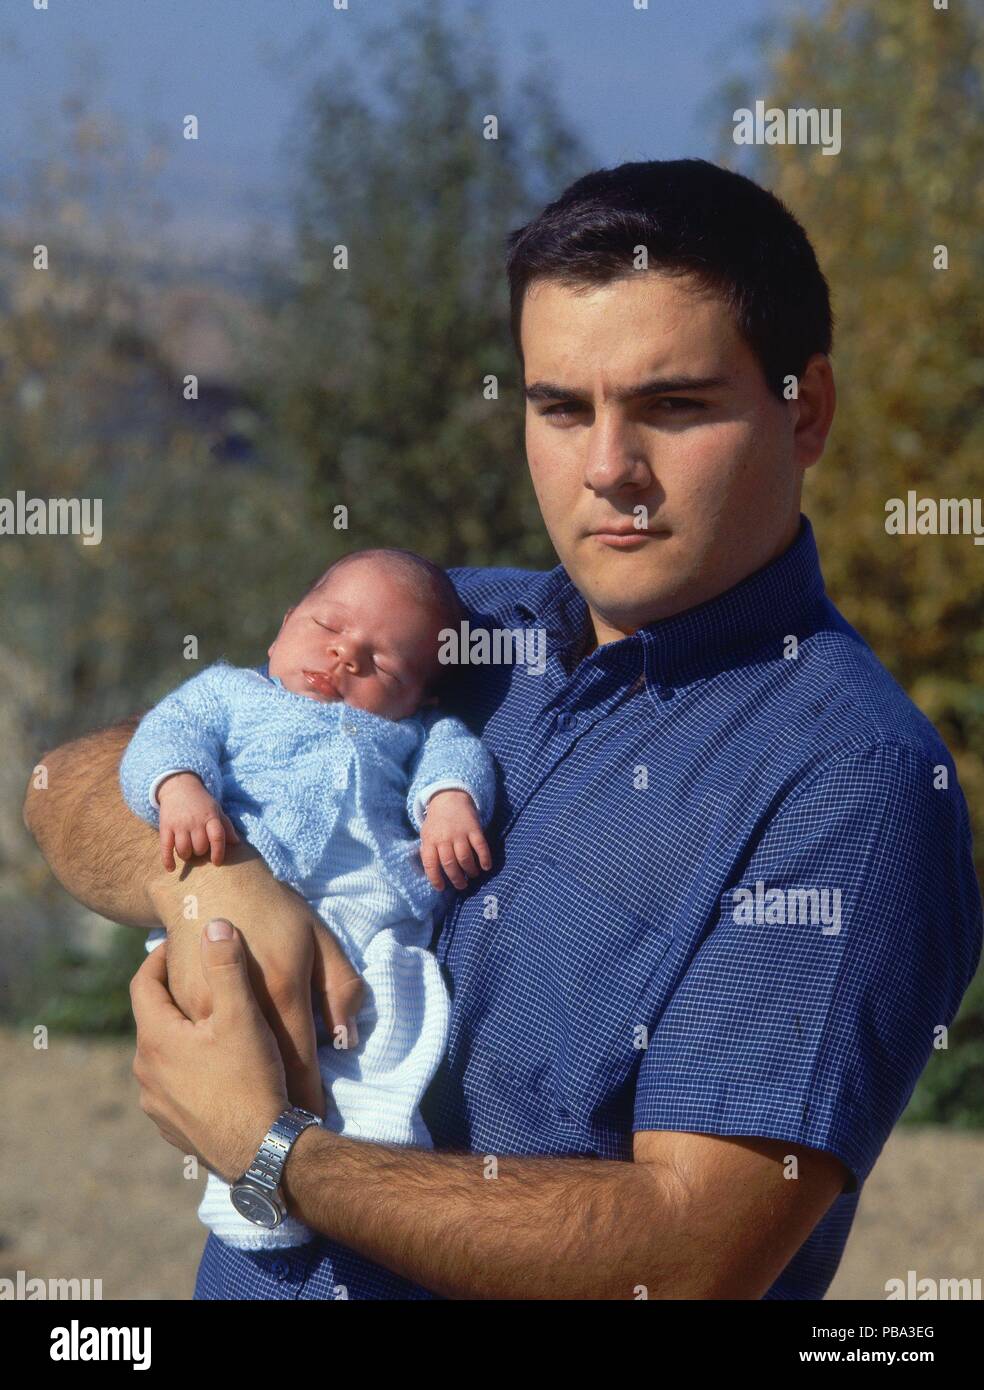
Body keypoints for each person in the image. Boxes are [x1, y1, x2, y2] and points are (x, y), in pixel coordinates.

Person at [25, 158, 982, 1300]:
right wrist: (215, 887)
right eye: (561, 407)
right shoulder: (445, 630)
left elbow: (688, 1257)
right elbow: (65, 785)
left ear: (804, 407)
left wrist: (275, 1150)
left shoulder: (852, 782)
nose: (608, 470)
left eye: (673, 406)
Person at [117, 546, 495, 1249]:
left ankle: (377, 1155)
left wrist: (447, 802)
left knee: (393, 1022)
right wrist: (180, 787)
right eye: (328, 625)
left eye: (382, 663)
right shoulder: (231, 692)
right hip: (233, 910)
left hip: (369, 921)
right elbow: (163, 734)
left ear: (419, 696)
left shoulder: (415, 732)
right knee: (237, 1049)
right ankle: (248, 1192)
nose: (345, 656)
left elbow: (456, 752)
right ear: (284, 623)